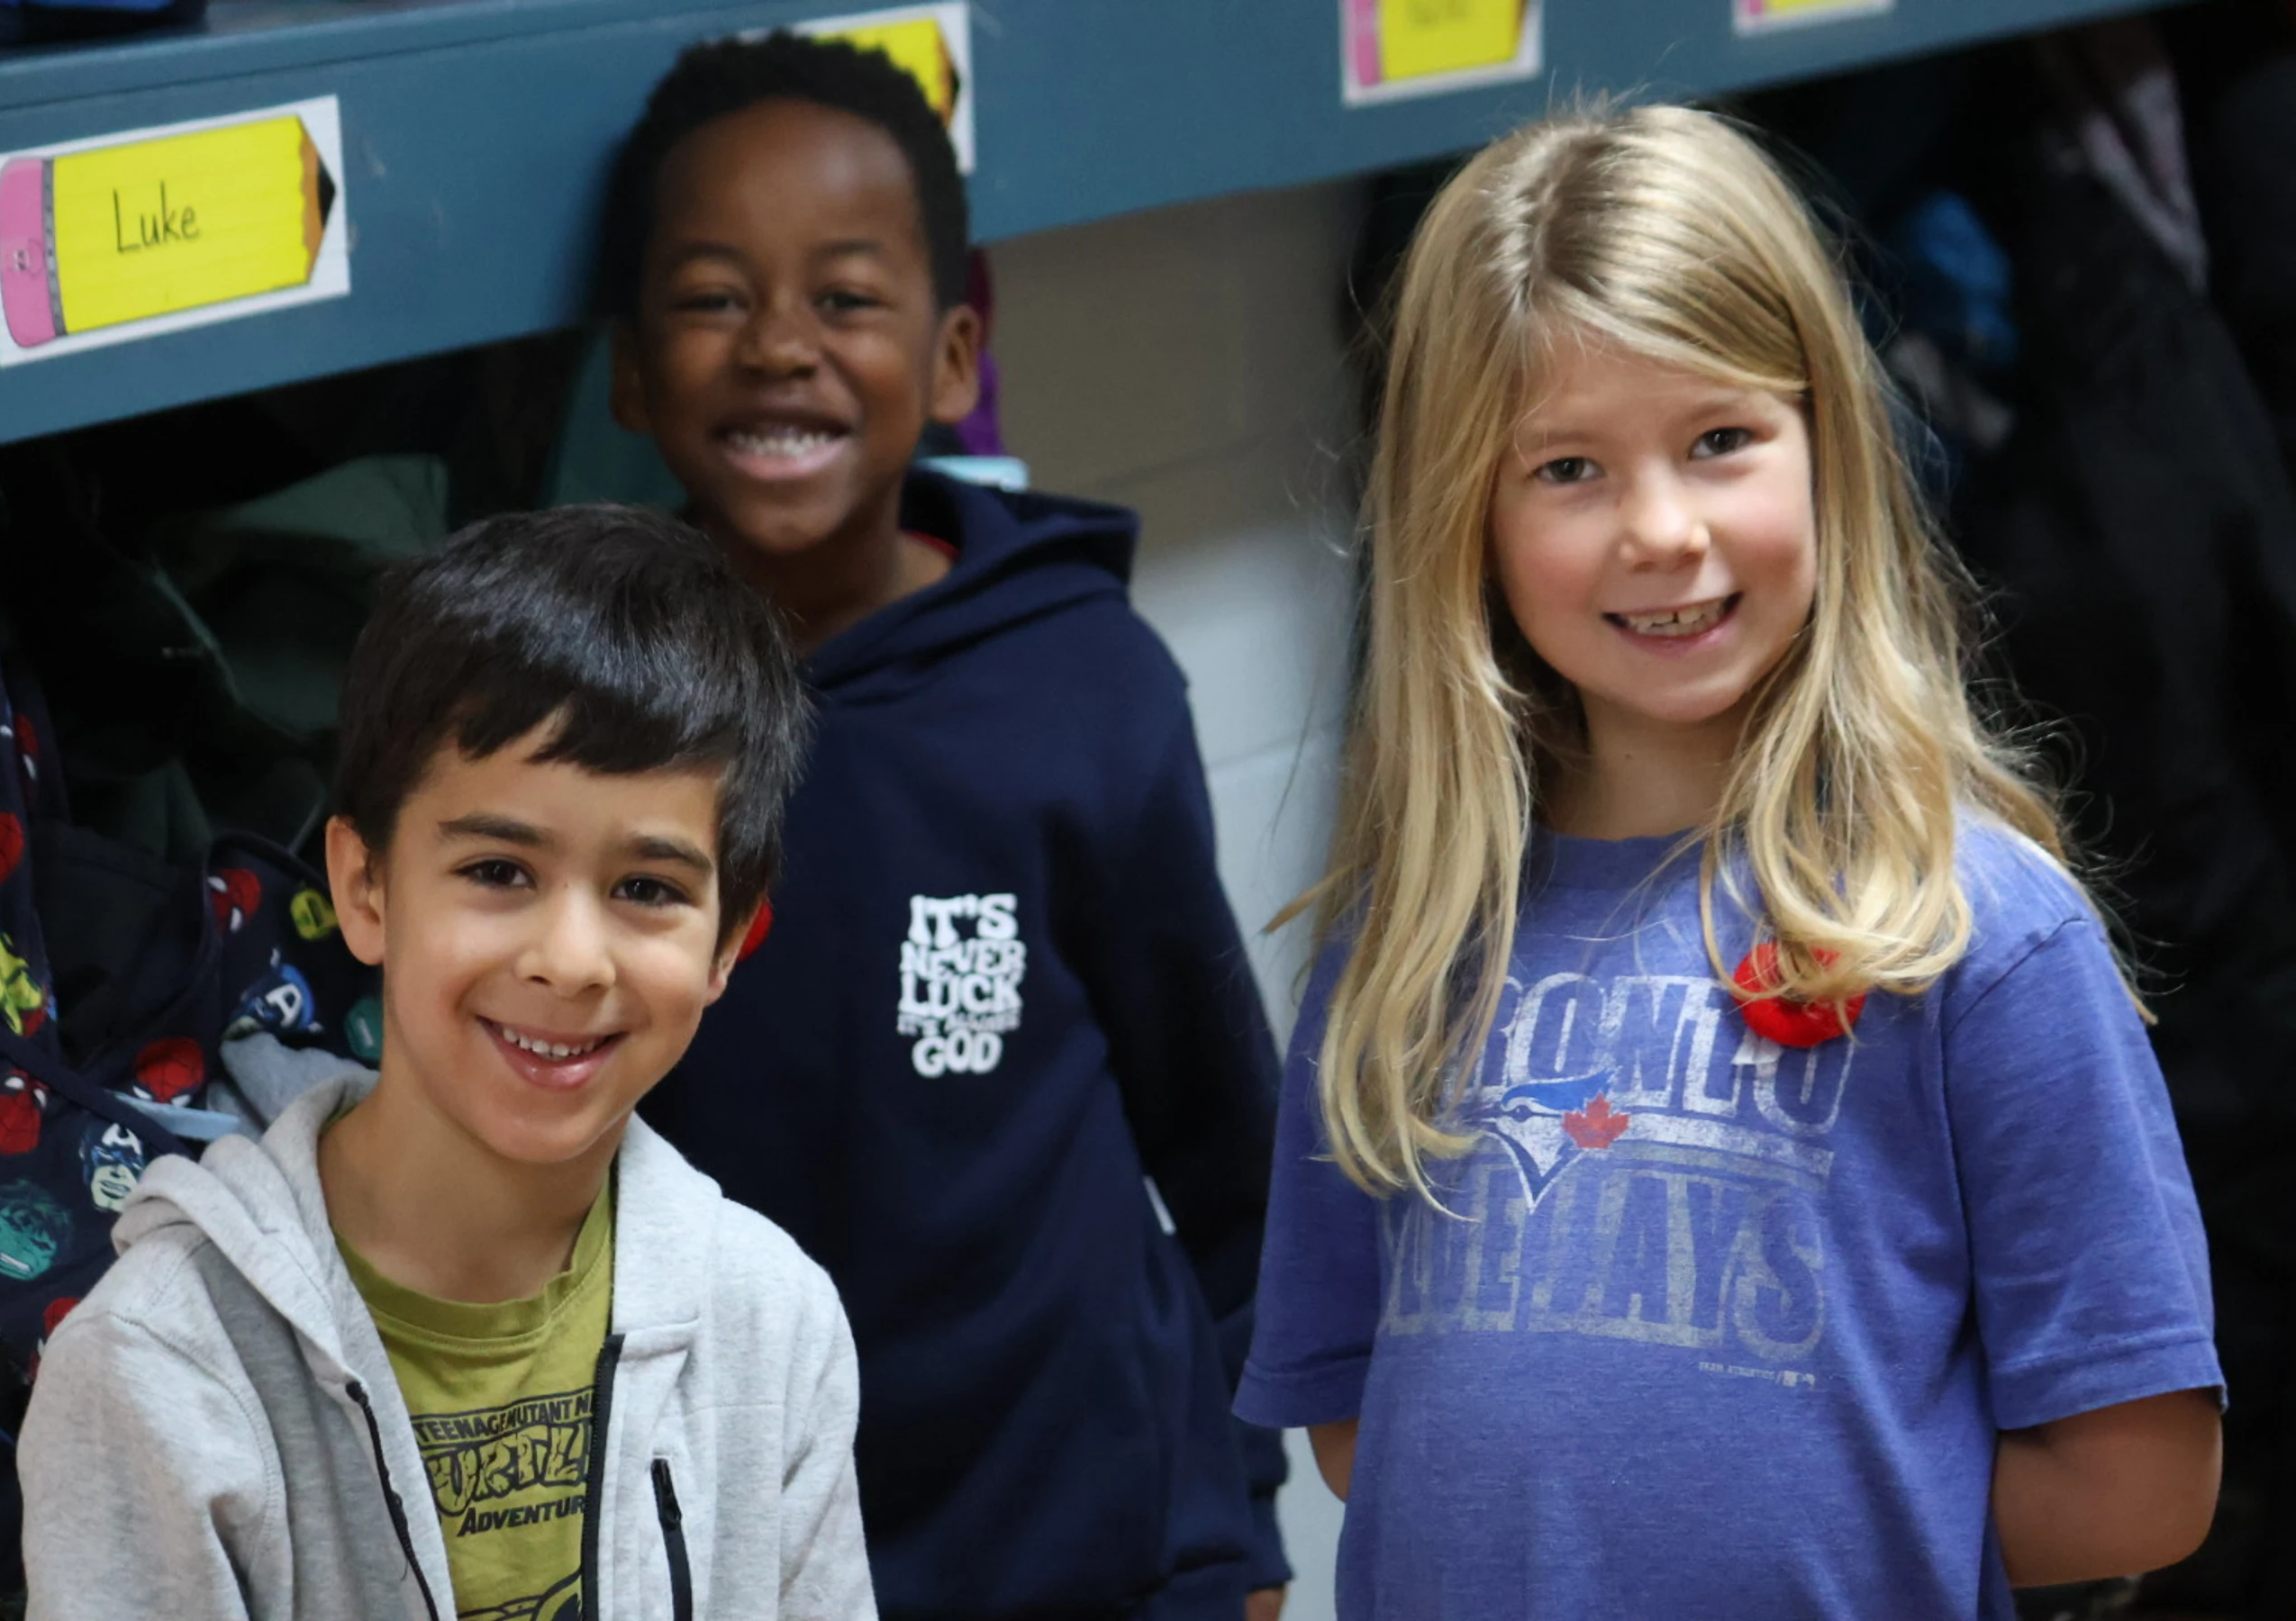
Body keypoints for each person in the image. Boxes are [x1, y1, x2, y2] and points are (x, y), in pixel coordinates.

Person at [1237, 105, 2223, 1619]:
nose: (1662, 531)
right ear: (1466, 523)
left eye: (1719, 441)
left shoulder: (1979, 933)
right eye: (1566, 467)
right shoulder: (1402, 950)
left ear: (1830, 441)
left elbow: (2144, 1481)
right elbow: (1374, 1440)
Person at [601, 32, 1291, 1621]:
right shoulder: (586, 716)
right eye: (714, 298)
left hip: (1105, 1550)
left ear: (958, 352)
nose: (782, 347)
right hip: (747, 1558)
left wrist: (1232, 1527)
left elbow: (1231, 1151)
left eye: (845, 298)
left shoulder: (1081, 686)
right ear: (631, 373)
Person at [16, 507, 874, 1621]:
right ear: (365, 888)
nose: (570, 962)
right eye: (499, 870)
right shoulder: (158, 1363)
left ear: (727, 938)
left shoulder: (773, 1323)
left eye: (648, 890)